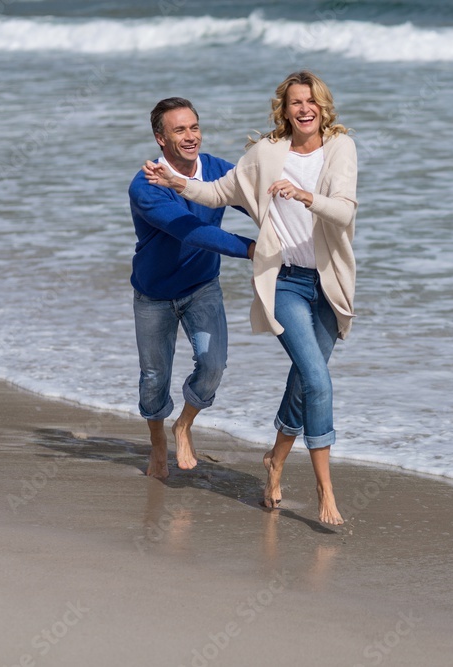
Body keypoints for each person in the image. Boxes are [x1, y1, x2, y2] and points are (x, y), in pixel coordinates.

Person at [143, 71, 358, 525]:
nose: (304, 109)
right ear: (284, 109)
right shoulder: (265, 154)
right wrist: (175, 183)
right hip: (283, 282)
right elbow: (217, 192)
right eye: (295, 102)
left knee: (304, 380)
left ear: (323, 106)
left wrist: (305, 196)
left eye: (311, 101)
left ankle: (275, 461)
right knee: (318, 380)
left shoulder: (341, 147)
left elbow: (342, 211)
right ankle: (325, 492)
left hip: (328, 282)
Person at [129, 97, 255, 480]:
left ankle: (183, 424)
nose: (190, 136)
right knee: (154, 378)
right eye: (179, 130)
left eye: (194, 127)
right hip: (154, 294)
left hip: (202, 287)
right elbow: (193, 231)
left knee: (213, 364)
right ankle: (157, 443)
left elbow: (256, 202)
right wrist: (252, 248)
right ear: (160, 138)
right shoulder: (147, 185)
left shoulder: (217, 170)